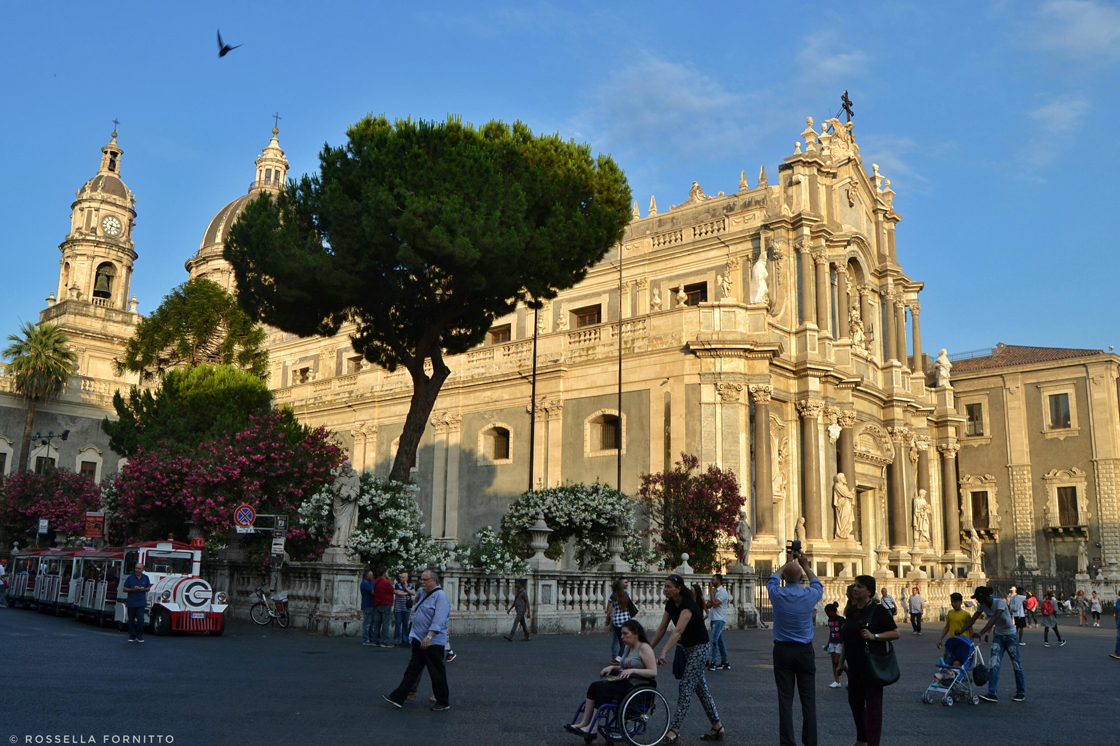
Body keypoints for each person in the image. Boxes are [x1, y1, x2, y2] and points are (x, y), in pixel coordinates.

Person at [650, 574, 724, 743]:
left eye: (668, 586)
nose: (665, 589)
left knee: (686, 686)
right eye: (665, 586)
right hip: (687, 649)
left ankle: (675, 729)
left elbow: (678, 631)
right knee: (701, 690)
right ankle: (717, 726)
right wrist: (648, 648)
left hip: (700, 648)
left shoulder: (688, 604)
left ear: (678, 588)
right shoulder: (670, 604)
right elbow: (662, 629)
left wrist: (663, 653)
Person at [766, 549, 823, 746]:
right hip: (805, 651)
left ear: (785, 578)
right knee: (808, 701)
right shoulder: (809, 595)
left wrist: (787, 562)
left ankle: (787, 743)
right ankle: (810, 742)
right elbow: (818, 584)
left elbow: (772, 579)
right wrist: (806, 566)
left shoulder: (777, 594)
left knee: (785, 700)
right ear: (800, 578)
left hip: (782, 651)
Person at [565, 619, 658, 738]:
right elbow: (625, 666)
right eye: (622, 633)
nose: (622, 636)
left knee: (604, 689)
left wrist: (633, 670)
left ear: (635, 634)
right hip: (624, 681)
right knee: (594, 686)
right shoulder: (627, 647)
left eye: (625, 633)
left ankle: (593, 728)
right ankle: (584, 723)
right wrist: (611, 667)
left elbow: (653, 672)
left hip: (635, 686)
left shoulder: (644, 648)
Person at [839, 575, 899, 746]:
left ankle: (872, 743)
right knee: (855, 703)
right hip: (854, 667)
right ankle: (862, 738)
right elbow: (847, 638)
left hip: (872, 667)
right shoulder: (851, 610)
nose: (855, 589)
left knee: (873, 707)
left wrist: (875, 636)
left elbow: (896, 633)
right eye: (855, 586)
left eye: (860, 586)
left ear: (869, 591)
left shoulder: (879, 611)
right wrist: (841, 661)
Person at [383, 569, 451, 711]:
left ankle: (443, 701)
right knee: (413, 669)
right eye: (421, 579)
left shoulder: (440, 596)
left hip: (432, 641)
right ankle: (399, 696)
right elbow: (416, 599)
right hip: (418, 638)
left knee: (436, 671)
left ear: (434, 581)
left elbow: (439, 618)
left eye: (425, 580)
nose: (422, 582)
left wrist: (429, 636)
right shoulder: (422, 592)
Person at [960, 586, 1025, 703]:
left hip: (1010, 635)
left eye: (978, 598)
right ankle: (992, 693)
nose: (977, 601)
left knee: (1016, 664)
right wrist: (961, 631)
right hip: (999, 636)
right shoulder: (982, 605)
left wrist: (981, 633)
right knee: (994, 664)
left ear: (983, 597)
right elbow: (973, 619)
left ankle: (1021, 692)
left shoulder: (1000, 603)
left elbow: (994, 618)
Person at [606, 577, 636, 664]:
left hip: (616, 621)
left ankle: (617, 657)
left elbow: (609, 610)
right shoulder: (626, 595)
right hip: (626, 620)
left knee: (620, 640)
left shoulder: (613, 596)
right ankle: (619, 658)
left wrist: (607, 620)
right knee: (626, 642)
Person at [121, 562, 152, 643]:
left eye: (139, 568)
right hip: (131, 602)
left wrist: (144, 589)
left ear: (143, 569)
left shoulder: (146, 578)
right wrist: (132, 589)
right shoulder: (130, 578)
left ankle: (139, 635)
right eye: (136, 568)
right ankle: (132, 635)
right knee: (131, 620)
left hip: (141, 602)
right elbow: (124, 589)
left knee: (141, 619)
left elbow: (148, 588)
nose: (137, 570)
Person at [707, 574, 731, 671]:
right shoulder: (715, 592)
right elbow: (709, 604)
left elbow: (716, 604)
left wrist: (712, 595)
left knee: (713, 640)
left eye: (714, 579)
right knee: (719, 641)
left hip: (719, 619)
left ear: (719, 581)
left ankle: (713, 661)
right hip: (714, 618)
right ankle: (725, 661)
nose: (712, 581)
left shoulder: (722, 592)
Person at [393, 571, 416, 646]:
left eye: (403, 577)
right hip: (398, 608)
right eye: (401, 577)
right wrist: (408, 592)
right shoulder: (397, 585)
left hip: (407, 608)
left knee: (406, 624)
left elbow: (413, 593)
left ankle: (405, 639)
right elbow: (399, 593)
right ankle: (396, 639)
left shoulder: (411, 585)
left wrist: (406, 588)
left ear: (407, 578)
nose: (401, 578)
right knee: (398, 624)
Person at [373, 567, 395, 647]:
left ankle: (376, 640)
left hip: (378, 603)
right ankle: (384, 641)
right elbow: (392, 590)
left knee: (377, 623)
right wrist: (389, 579)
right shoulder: (386, 583)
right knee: (386, 623)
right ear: (385, 574)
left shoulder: (376, 582)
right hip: (386, 603)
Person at [824, 603, 844, 689]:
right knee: (833, 662)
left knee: (837, 661)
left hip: (839, 642)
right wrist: (828, 643)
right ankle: (837, 680)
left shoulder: (841, 620)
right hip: (832, 641)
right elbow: (831, 631)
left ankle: (848, 672)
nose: (829, 616)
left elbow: (844, 631)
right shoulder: (829, 620)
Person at [360, 569, 377, 646]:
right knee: (367, 623)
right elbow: (373, 592)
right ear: (367, 576)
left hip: (372, 604)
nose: (372, 576)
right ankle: (365, 639)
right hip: (367, 605)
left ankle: (371, 638)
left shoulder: (371, 583)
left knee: (372, 623)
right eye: (371, 575)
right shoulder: (365, 583)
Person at [1111, 591, 1120, 660]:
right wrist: (1116, 621)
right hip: (1119, 622)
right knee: (1119, 638)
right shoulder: (1118, 601)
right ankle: (1117, 653)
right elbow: (1116, 612)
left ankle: (1117, 653)